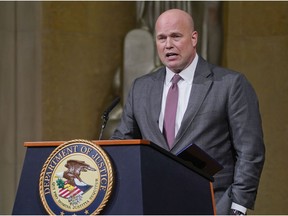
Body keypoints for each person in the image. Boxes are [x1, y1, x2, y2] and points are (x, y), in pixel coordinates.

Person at [111, 9, 265, 215]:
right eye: (161, 38)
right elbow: (123, 143)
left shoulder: (230, 84)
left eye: (175, 36)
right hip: (153, 204)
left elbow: (250, 151)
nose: (168, 45)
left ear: (194, 38)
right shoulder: (141, 87)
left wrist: (238, 206)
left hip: (212, 204)